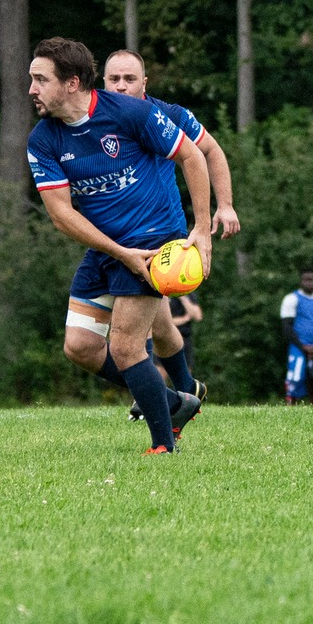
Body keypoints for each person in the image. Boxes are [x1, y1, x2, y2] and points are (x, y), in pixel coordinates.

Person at [26, 36, 212, 453]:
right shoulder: (43, 139)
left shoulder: (132, 113)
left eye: (41, 80)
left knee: (127, 347)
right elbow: (61, 214)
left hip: (154, 242)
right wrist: (117, 252)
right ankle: (171, 401)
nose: (32, 89)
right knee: (80, 347)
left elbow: (194, 156)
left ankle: (164, 445)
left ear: (71, 83)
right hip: (112, 248)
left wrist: (201, 228)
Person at [62, 48, 232, 420]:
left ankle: (166, 398)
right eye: (114, 79)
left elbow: (210, 151)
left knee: (139, 335)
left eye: (130, 79)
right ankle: (182, 391)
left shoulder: (166, 114)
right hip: (114, 243)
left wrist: (225, 206)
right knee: (160, 324)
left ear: (144, 83)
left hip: (159, 239)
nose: (121, 86)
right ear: (102, 81)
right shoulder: (96, 118)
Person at [280, 268, 313, 403]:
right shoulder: (292, 299)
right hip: (299, 347)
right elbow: (287, 326)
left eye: (311, 280)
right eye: (306, 280)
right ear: (301, 281)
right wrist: (302, 346)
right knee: (295, 380)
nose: (308, 283)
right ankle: (290, 411)